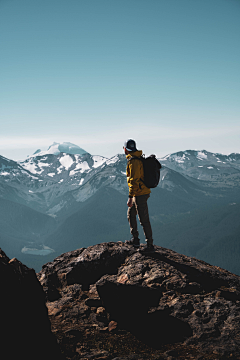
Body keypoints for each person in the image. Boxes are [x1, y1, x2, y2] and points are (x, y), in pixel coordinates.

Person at [123, 139, 154, 252]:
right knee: (131, 214)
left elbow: (134, 180)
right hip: (140, 192)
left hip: (140, 193)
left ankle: (150, 245)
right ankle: (135, 239)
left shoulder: (134, 161)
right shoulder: (136, 158)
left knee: (143, 219)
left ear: (125, 149)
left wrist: (130, 197)